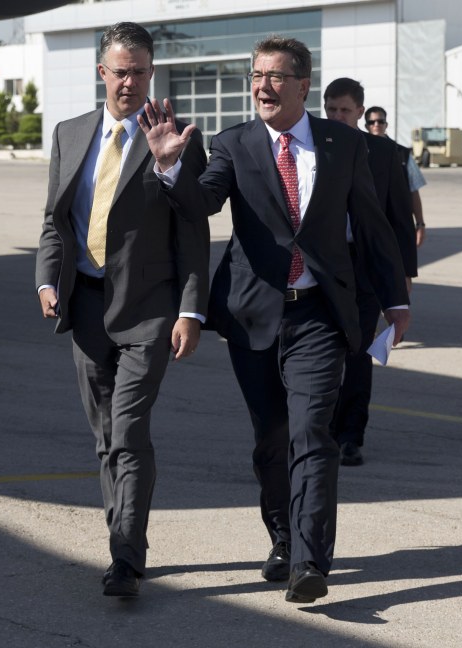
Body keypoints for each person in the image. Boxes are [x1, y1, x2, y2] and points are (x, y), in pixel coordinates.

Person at [138, 36, 410, 604]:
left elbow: (372, 222)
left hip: (319, 312)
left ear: (303, 85)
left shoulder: (343, 143)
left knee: (314, 432)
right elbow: (203, 202)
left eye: (276, 77)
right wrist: (169, 169)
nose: (263, 86)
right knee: (272, 438)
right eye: (257, 76)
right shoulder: (234, 142)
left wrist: (395, 297)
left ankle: (311, 561)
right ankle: (283, 538)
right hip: (252, 311)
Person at [35, 22, 210, 598]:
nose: (129, 81)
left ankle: (126, 558)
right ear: (101, 73)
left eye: (139, 70)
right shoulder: (70, 133)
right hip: (85, 308)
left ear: (151, 73)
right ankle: (123, 542)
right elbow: (55, 221)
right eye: (120, 70)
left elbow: (193, 226)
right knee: (106, 437)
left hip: (149, 311)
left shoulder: (178, 135)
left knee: (130, 430)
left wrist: (190, 310)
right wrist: (46, 279)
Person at [323, 78, 416, 467]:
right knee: (322, 355)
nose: (337, 117)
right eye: (331, 110)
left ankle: (350, 436)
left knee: (357, 354)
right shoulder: (315, 145)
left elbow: (399, 219)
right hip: (324, 268)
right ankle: (322, 430)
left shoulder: (384, 153)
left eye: (345, 110)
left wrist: (401, 285)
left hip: (365, 269)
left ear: (361, 112)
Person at [364, 105, 428, 247]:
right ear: (366, 126)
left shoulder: (402, 154)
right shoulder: (359, 152)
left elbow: (414, 190)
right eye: (372, 122)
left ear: (386, 125)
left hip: (397, 224)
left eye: (380, 122)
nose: (376, 125)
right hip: (369, 226)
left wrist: (420, 223)